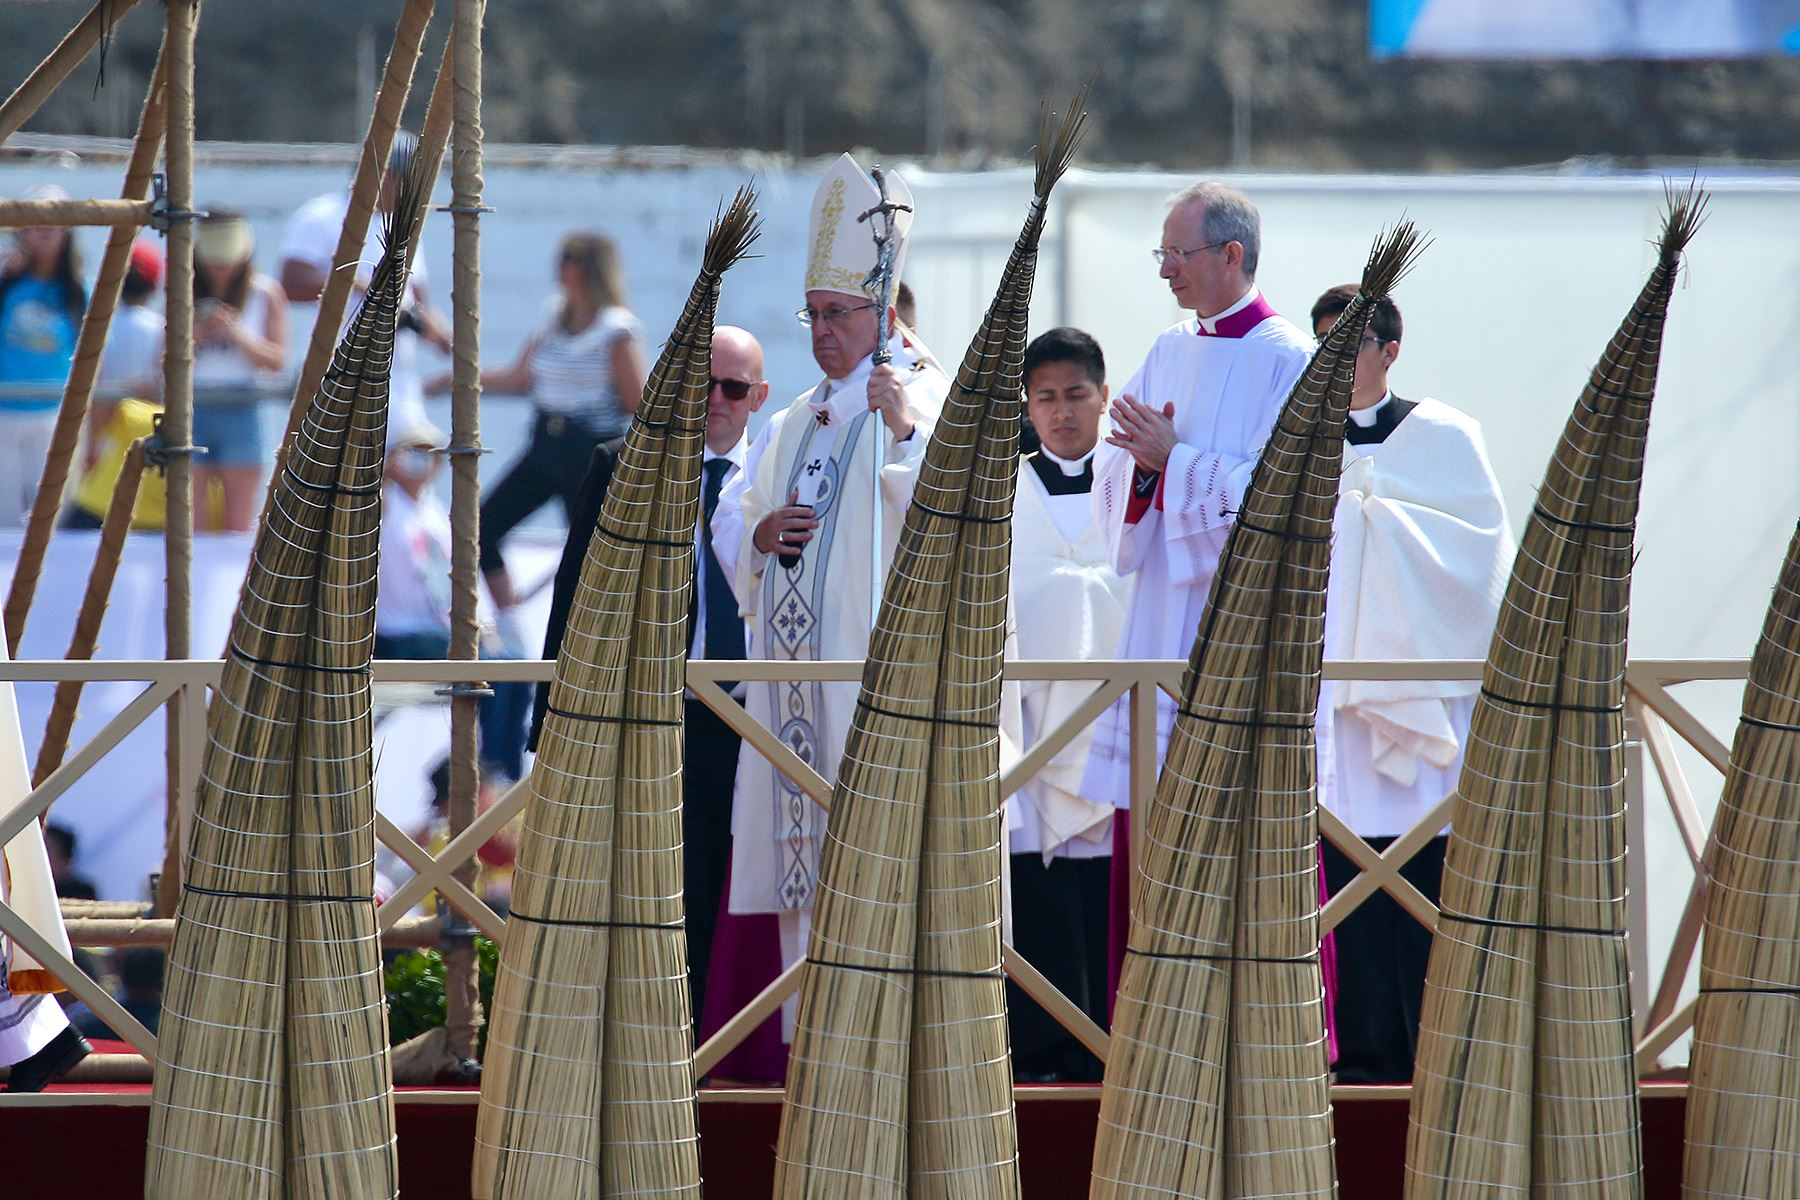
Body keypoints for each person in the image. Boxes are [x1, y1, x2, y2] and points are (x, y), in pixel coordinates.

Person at [711, 153, 949, 1035]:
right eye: (811, 315)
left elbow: (964, 517)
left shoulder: (925, 397)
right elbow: (740, 520)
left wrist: (903, 430)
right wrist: (764, 535)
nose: (821, 331)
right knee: (805, 897)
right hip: (792, 701)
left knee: (885, 889)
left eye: (837, 314)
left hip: (876, 694)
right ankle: (810, 1050)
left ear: (880, 313)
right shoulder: (789, 419)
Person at [534, 326, 769, 1025]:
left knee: (757, 883)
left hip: (767, 715)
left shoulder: (780, 469)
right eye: (702, 384)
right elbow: (574, 592)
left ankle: (746, 1034)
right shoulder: (624, 463)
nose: (714, 402)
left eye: (732, 388)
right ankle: (670, 1034)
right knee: (670, 883)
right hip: (664, 712)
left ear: (759, 396)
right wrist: (551, 720)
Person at [1308, 284, 1514, 1084]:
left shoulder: (1447, 437)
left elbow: (1482, 555)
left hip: (1422, 687)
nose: (1337, 359)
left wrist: (1382, 525)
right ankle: (1363, 1050)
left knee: (1428, 876)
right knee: (1351, 873)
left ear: (1390, 351)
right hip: (1340, 701)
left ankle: (1440, 1050)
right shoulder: (1300, 444)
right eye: (1323, 343)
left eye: (1351, 343)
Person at [1079, 182, 1314, 809]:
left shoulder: (1291, 360)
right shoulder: (1169, 348)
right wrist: (1148, 473)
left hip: (1243, 614)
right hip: (1161, 606)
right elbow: (1116, 461)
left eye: (1178, 254)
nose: (1166, 272)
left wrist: (1174, 460)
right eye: (1160, 255)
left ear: (1231, 254)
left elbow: (1284, 498)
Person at [1006, 327, 1132, 1083]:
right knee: (1042, 888)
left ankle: (1116, 1043)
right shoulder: (1004, 487)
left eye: (1076, 396)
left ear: (1104, 397)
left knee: (1109, 886)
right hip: (1031, 721)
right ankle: (1049, 1047)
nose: (1062, 414)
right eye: (1046, 398)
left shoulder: (1135, 482)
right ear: (1027, 404)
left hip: (1118, 718)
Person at [430, 232, 647, 642]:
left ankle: (590, 639)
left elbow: (636, 398)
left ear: (590, 268)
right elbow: (520, 378)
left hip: (591, 448)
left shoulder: (616, 328)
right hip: (547, 441)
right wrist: (460, 379)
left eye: (570, 258)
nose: (560, 265)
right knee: (482, 524)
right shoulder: (553, 317)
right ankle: (511, 625)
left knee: (587, 551)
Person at [279, 131, 449, 423]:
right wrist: (359, 286)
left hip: (395, 377)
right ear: (388, 174)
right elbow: (290, 284)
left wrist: (437, 331)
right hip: (333, 369)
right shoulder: (323, 215)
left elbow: (416, 300)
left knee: (417, 458)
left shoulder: (405, 229)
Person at [191, 211, 288, 532]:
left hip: (244, 405)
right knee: (191, 521)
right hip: (193, 405)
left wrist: (236, 333)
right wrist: (198, 335)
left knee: (239, 525)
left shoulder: (265, 293)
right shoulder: (181, 288)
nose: (221, 266)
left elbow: (276, 360)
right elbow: (161, 359)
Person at [0, 184, 87, 526]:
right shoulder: (7, 283)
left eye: (55, 223)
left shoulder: (78, 291)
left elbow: (92, 358)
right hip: (5, 411)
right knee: (3, 515)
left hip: (54, 414)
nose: (45, 232)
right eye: (38, 222)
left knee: (53, 515)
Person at [68, 238, 166, 531]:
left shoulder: (101, 326)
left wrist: (92, 445)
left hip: (109, 433)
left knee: (93, 518)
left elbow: (96, 388)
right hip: (151, 434)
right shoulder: (160, 327)